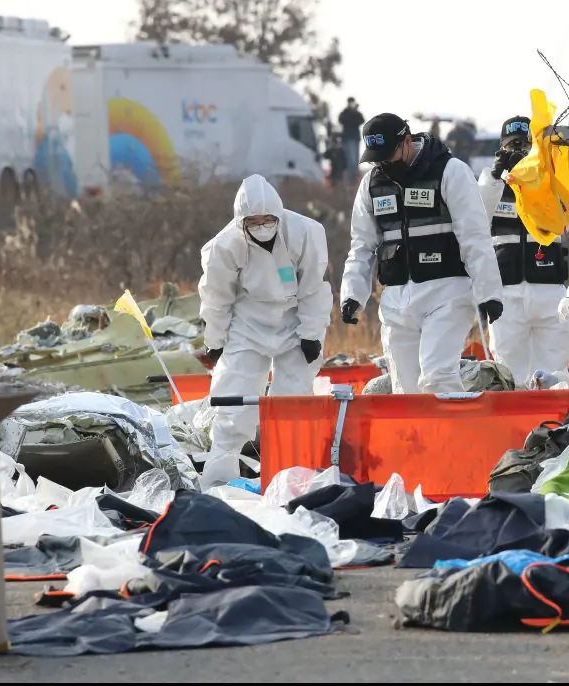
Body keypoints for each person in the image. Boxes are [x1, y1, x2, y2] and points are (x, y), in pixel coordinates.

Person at [339, 113, 504, 394]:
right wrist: (352, 294)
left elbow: (474, 237)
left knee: (438, 377)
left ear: (406, 142)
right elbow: (362, 245)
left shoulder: (451, 171)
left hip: (447, 292)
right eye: (376, 158)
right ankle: (415, 439)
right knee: (404, 388)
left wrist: (489, 293)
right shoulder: (371, 185)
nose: (383, 164)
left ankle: (452, 437)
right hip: (395, 298)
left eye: (388, 155)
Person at [199, 174, 333, 456]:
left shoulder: (305, 232)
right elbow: (216, 297)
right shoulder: (223, 247)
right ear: (241, 222)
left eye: (267, 219)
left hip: (294, 320)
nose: (262, 227)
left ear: (278, 215)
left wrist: (311, 334)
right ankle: (219, 475)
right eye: (253, 222)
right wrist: (215, 338)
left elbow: (314, 289)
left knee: (293, 403)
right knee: (233, 403)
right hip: (248, 322)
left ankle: (293, 470)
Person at [477, 115, 569, 387]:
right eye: (512, 146)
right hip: (507, 293)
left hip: (549, 289)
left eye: (525, 146)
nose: (518, 152)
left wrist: (545, 172)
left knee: (555, 372)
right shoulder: (491, 184)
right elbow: (475, 217)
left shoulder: (552, 179)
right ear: (501, 148)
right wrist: (497, 177)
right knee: (509, 371)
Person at [338, 97, 365, 179]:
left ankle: (354, 178)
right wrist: (351, 112)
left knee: (355, 161)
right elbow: (341, 120)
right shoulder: (345, 112)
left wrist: (355, 111)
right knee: (351, 160)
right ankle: (351, 178)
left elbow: (361, 120)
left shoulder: (356, 113)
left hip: (355, 138)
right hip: (347, 138)